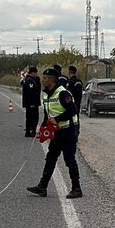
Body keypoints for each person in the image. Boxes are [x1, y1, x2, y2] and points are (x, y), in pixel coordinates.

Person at [26, 68, 83, 199]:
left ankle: (76, 188)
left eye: (45, 78)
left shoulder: (63, 93)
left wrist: (57, 119)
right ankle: (42, 186)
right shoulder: (46, 94)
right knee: (51, 158)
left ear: (52, 79)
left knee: (69, 160)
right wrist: (42, 128)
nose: (42, 80)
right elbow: (48, 114)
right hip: (56, 132)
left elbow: (73, 111)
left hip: (68, 130)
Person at [20, 66, 41, 137]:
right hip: (32, 103)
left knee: (29, 117)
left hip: (29, 103)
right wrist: (32, 103)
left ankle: (28, 131)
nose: (36, 75)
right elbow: (30, 93)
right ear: (33, 73)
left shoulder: (28, 79)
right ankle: (32, 132)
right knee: (33, 117)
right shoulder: (30, 81)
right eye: (35, 73)